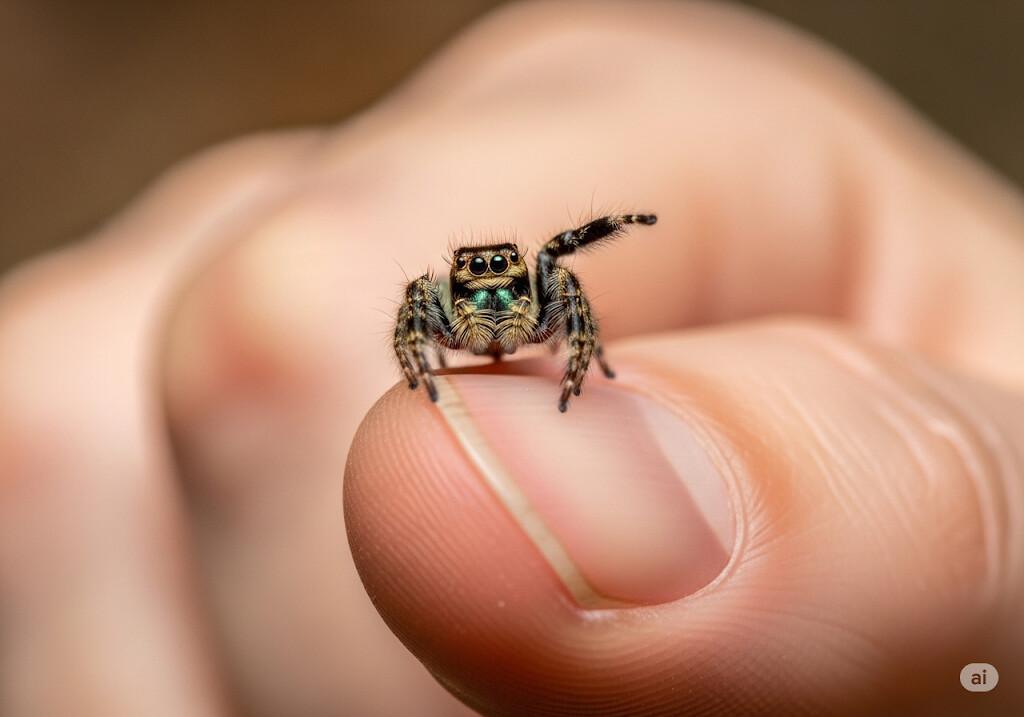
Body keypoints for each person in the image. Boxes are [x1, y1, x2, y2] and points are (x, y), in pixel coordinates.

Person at [0, 2, 1020, 715]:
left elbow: (567, 277)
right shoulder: (438, 302)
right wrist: (420, 373)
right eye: (472, 280)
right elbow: (400, 311)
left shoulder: (537, 287)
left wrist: (588, 366)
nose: (491, 288)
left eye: (503, 277)